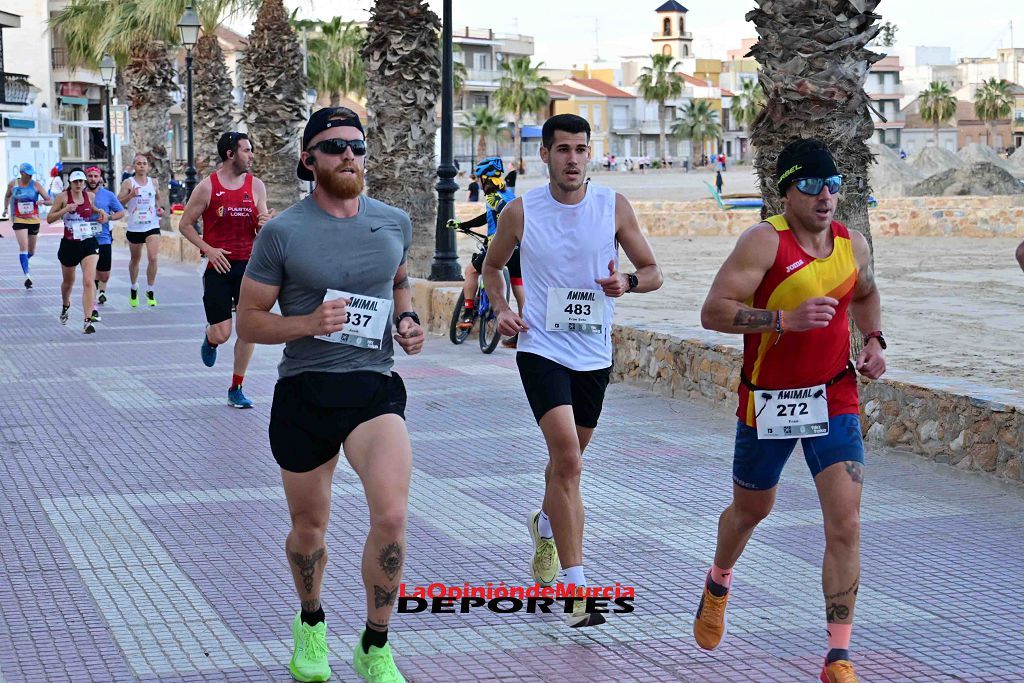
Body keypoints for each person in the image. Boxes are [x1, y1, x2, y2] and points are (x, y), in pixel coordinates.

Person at [236, 106, 423, 683]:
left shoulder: (393, 221)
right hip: (305, 391)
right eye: (335, 145)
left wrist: (409, 318)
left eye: (358, 146)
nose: (350, 155)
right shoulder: (283, 231)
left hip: (373, 387)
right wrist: (309, 323)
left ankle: (375, 643)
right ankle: (312, 623)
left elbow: (397, 279)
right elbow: (248, 322)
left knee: (391, 516)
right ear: (308, 158)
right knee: (309, 528)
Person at [693, 138, 886, 683]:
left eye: (833, 185)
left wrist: (874, 340)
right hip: (769, 399)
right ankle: (719, 578)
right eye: (810, 185)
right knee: (751, 511)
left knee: (845, 522)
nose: (824, 196)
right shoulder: (762, 243)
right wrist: (783, 321)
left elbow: (867, 295)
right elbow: (713, 312)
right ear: (786, 192)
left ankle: (838, 656)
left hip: (834, 394)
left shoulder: (854, 245)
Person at [482, 113, 662, 627]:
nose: (573, 159)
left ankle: (544, 526)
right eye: (563, 150)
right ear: (545, 155)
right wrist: (501, 309)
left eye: (581, 149)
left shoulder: (612, 206)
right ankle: (578, 591)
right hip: (541, 348)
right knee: (569, 460)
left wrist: (626, 283)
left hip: (593, 354)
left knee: (567, 464)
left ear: (591, 154)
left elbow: (653, 272)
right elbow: (493, 267)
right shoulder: (522, 211)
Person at [179, 132, 273, 409]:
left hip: (249, 267)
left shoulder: (256, 186)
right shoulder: (208, 187)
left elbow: (261, 225)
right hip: (218, 265)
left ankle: (236, 387)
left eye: (251, 150)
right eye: (246, 150)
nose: (251, 155)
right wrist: (208, 249)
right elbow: (185, 224)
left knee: (248, 329)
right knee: (222, 333)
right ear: (230, 154)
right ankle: (210, 339)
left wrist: (265, 224)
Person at [449, 157, 524, 348]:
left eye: (479, 178)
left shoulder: (494, 196)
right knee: (518, 284)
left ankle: (467, 312)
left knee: (471, 271)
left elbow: (499, 210)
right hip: (518, 248)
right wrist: (464, 224)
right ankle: (524, 329)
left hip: (498, 247)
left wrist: (498, 208)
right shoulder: (511, 196)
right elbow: (488, 216)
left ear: (484, 179)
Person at [47, 169, 109, 334]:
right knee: (68, 283)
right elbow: (49, 218)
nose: (79, 184)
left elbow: (93, 209)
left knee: (88, 281)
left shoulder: (90, 196)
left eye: (81, 181)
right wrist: (65, 210)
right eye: (76, 182)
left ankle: (88, 321)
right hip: (69, 244)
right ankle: (66, 304)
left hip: (88, 242)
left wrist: (101, 213)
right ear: (70, 183)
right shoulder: (62, 197)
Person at [117, 152, 165, 307]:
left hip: (151, 225)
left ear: (148, 167)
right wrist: (130, 195)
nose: (142, 166)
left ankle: (150, 290)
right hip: (135, 227)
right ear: (134, 166)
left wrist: (160, 209)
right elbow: (118, 203)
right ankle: (133, 286)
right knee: (135, 259)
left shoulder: (154, 182)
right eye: (139, 163)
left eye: (144, 163)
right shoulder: (128, 183)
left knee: (153, 258)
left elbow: (158, 200)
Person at [85, 167, 126, 316]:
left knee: (104, 274)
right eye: (90, 176)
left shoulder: (108, 195)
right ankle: (93, 303)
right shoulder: (80, 194)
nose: (93, 179)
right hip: (87, 239)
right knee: (90, 274)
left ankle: (102, 289)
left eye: (95, 176)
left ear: (100, 178)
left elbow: (121, 212)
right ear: (86, 177)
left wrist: (108, 218)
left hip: (103, 239)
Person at [4, 162, 52, 288]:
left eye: (32, 174)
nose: (30, 176)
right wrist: (5, 208)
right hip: (19, 220)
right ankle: (27, 275)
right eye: (28, 174)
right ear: (21, 173)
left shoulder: (35, 185)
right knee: (23, 247)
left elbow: (50, 200)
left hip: (34, 220)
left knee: (31, 251)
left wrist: (43, 202)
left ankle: (25, 260)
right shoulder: (12, 184)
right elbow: (7, 196)